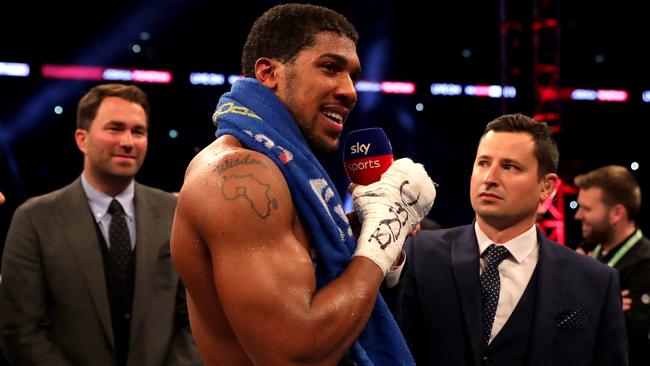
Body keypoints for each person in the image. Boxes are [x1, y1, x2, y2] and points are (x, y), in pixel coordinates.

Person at [170, 4, 435, 365]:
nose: (350, 91)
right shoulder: (238, 177)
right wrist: (381, 238)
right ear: (269, 73)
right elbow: (294, 354)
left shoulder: (284, 175)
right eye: (330, 68)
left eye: (353, 76)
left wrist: (365, 230)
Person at [396, 113, 628, 366]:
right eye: (483, 163)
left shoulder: (596, 282)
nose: (490, 178)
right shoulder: (419, 253)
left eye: (509, 166)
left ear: (546, 187)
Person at [0, 84, 200, 366]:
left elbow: (194, 320)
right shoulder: (34, 218)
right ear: (82, 139)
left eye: (138, 131)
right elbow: (21, 331)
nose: (128, 141)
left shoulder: (174, 213)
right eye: (115, 128)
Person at [574, 165, 650, 366]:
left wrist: (580, 298)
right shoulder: (585, 252)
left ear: (617, 213)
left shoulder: (646, 264)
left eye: (587, 208)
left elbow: (631, 340)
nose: (578, 215)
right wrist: (606, 305)